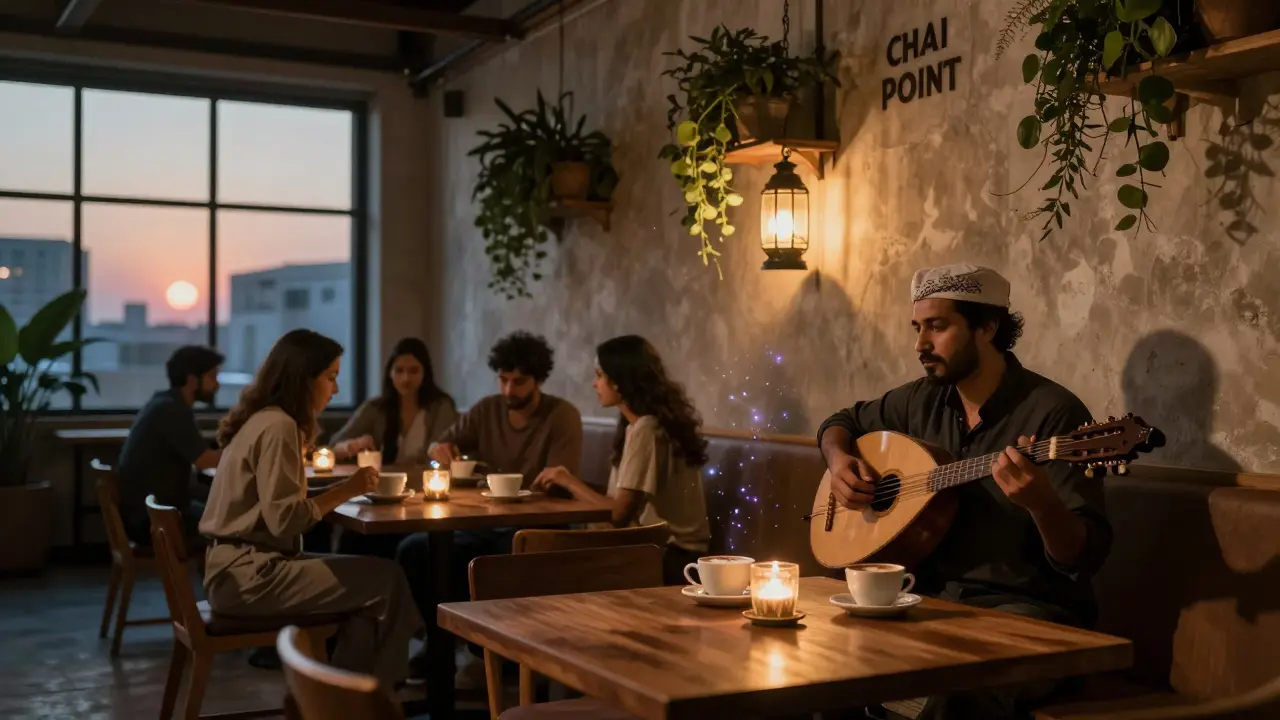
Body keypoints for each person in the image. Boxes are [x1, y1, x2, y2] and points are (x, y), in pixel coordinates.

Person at [817, 264, 1112, 720]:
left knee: (963, 690)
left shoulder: (1055, 414)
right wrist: (839, 462)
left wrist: (1042, 504)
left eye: (937, 326)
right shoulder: (921, 399)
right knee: (814, 661)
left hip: (1028, 614)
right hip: (928, 602)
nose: (920, 345)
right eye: (917, 328)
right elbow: (842, 423)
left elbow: (1082, 557)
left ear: (988, 327)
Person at [199, 329, 422, 688]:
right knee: (387, 579)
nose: (335, 389)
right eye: (330, 377)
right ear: (303, 379)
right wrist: (347, 488)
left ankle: (347, 698)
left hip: (233, 568)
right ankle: (381, 696)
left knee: (368, 601)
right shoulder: (279, 427)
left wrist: (331, 489)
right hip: (250, 577)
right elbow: (285, 519)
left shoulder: (264, 419)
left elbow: (278, 499)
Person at [396, 330, 583, 684]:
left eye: (519, 382)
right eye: (503, 380)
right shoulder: (487, 410)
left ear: (539, 379)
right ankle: (440, 647)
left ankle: (500, 653)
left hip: (538, 526)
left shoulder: (561, 416)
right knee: (414, 550)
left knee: (502, 554)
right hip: (484, 521)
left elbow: (560, 484)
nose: (509, 390)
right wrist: (439, 449)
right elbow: (443, 442)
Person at [533, 335, 711, 585]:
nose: (594, 384)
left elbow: (619, 514)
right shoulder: (639, 425)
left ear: (618, 381)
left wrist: (570, 482)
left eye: (599, 375)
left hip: (672, 558)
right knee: (539, 544)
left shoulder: (647, 428)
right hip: (658, 550)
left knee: (539, 554)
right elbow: (621, 504)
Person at [117, 345, 223, 548]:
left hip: (151, 508)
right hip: (152, 518)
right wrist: (250, 454)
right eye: (212, 376)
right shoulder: (171, 410)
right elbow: (203, 460)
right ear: (192, 379)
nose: (216, 385)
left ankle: (219, 576)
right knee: (234, 523)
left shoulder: (165, 402)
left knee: (222, 502)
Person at [329, 337, 458, 465]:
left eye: (414, 371)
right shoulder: (375, 408)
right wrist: (354, 445)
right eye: (399, 371)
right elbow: (332, 447)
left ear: (425, 374)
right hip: (383, 481)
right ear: (390, 373)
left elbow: (443, 449)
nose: (406, 378)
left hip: (428, 481)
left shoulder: (441, 407)